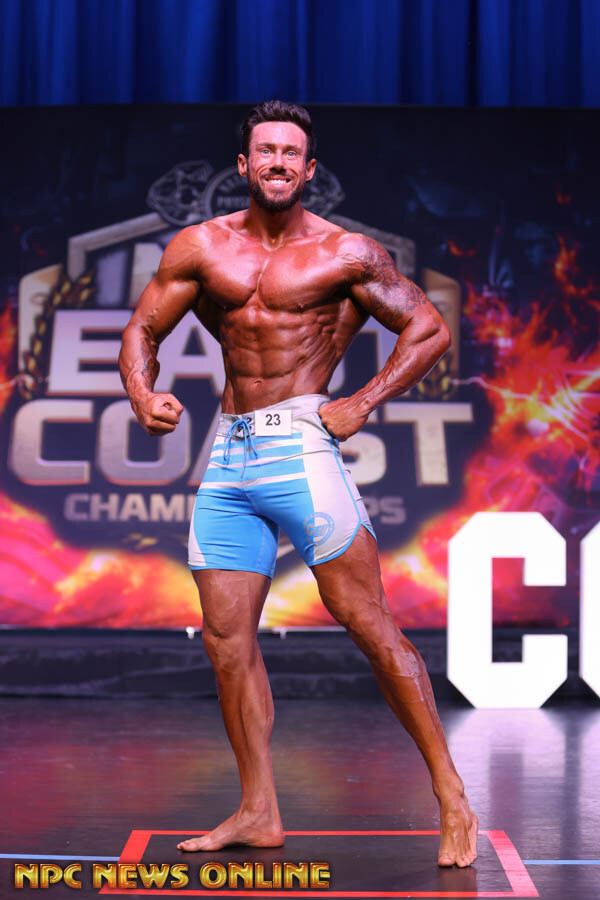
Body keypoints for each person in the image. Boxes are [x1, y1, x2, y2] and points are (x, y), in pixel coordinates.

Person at [119, 100, 478, 868]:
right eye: (266, 150)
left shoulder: (346, 253)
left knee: (367, 623)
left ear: (309, 169)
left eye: (291, 152)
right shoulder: (201, 247)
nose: (278, 161)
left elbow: (428, 328)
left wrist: (363, 401)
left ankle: (452, 795)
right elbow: (142, 329)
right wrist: (142, 395)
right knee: (226, 642)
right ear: (244, 165)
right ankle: (258, 809)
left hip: (302, 451)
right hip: (229, 456)